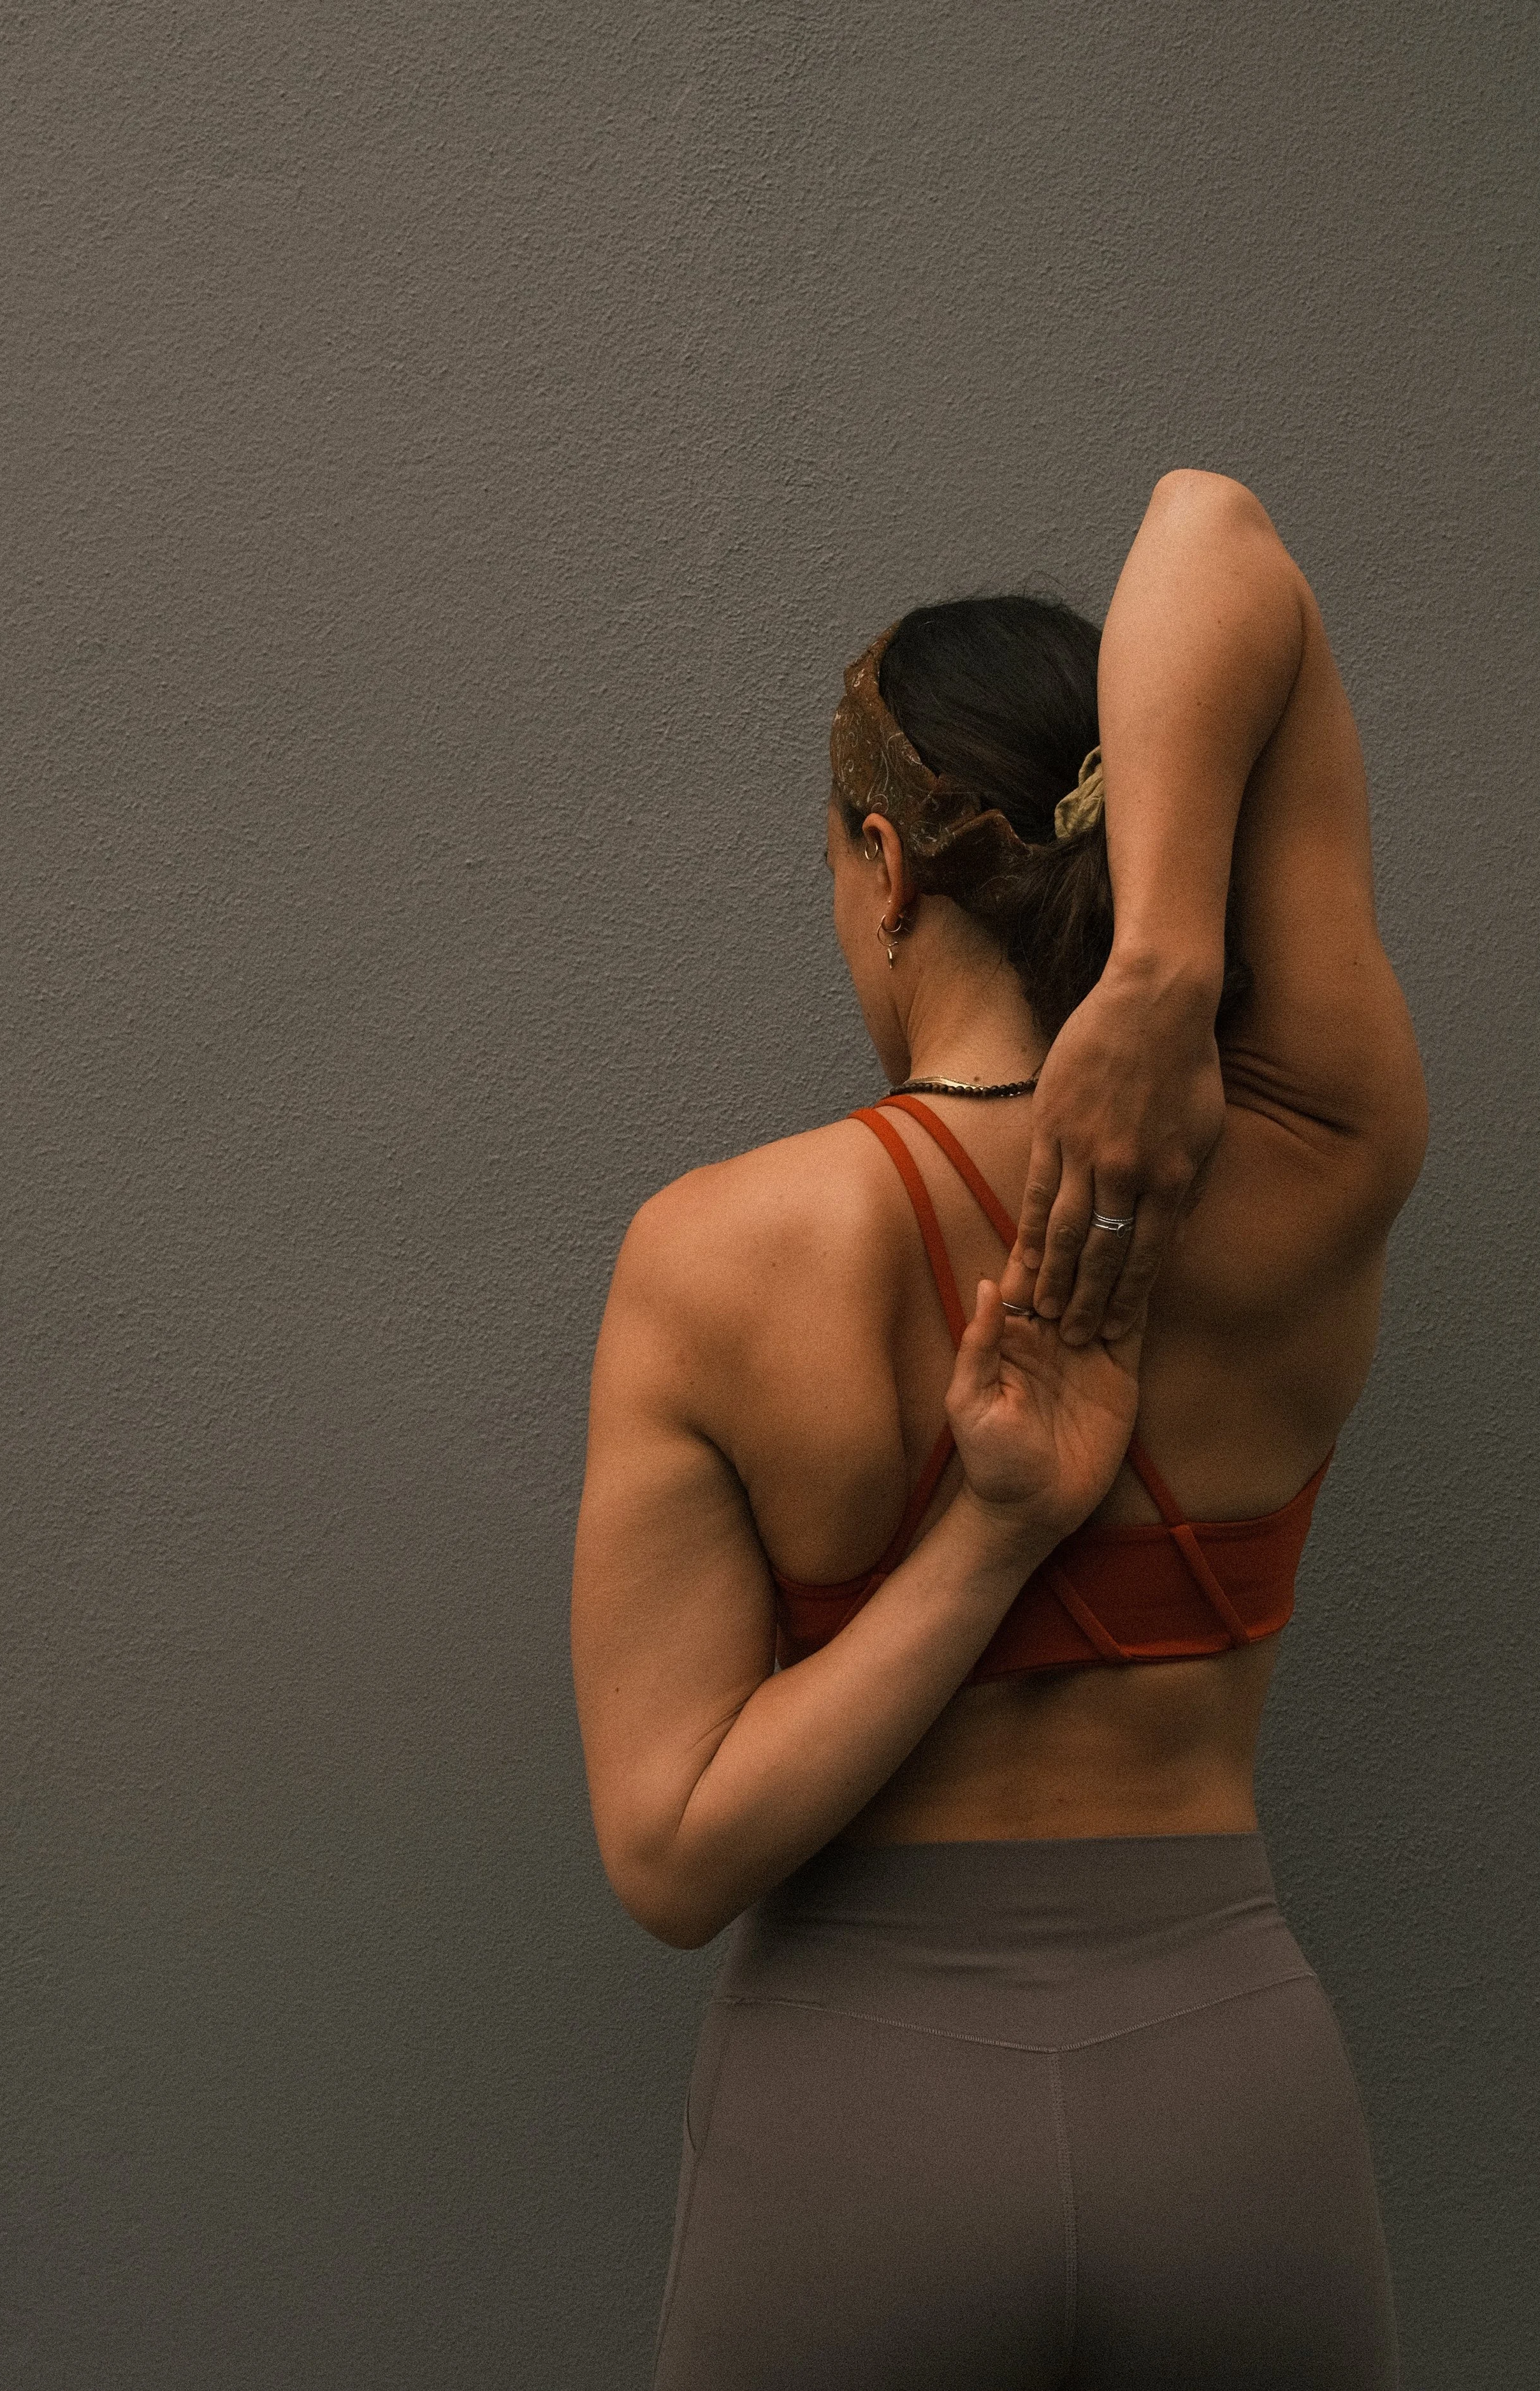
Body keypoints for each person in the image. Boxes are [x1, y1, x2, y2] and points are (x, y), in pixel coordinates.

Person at [571, 470, 1427, 2390]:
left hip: (856, 2135)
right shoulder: (1311, 1162)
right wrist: (1172, 972)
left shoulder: (712, 1262)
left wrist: (981, 1534)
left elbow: (674, 1853)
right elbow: (1217, 531)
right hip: (1230, 2115)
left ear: (882, 864)